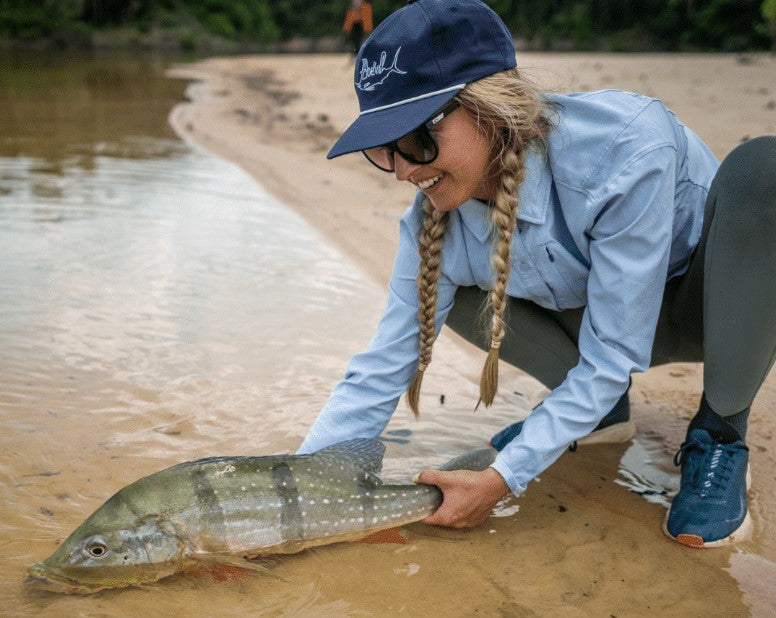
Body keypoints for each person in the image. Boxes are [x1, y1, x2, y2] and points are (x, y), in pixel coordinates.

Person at [299, 0, 776, 548]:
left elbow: (614, 353)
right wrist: (298, 483)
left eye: (414, 140)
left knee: (763, 170)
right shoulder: (429, 219)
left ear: (488, 107)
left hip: (708, 311)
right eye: (382, 149)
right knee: (439, 294)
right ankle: (600, 419)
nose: (403, 169)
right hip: (592, 317)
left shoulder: (625, 149)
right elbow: (383, 365)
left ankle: (720, 429)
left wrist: (503, 476)